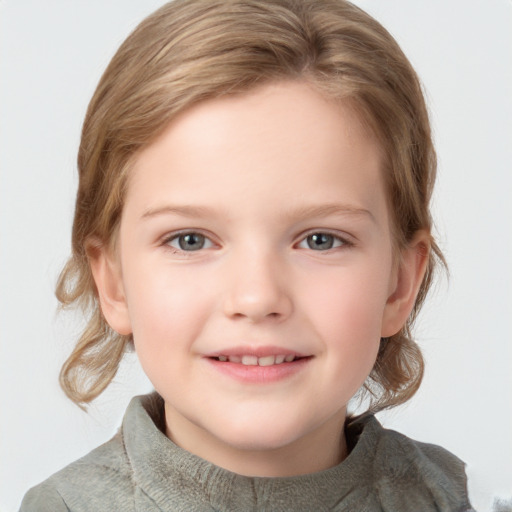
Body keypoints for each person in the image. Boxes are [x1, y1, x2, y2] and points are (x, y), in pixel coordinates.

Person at [19, 0, 475, 510]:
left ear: (400, 283)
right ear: (113, 283)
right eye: (190, 240)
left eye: (321, 239)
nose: (257, 298)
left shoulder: (453, 498)